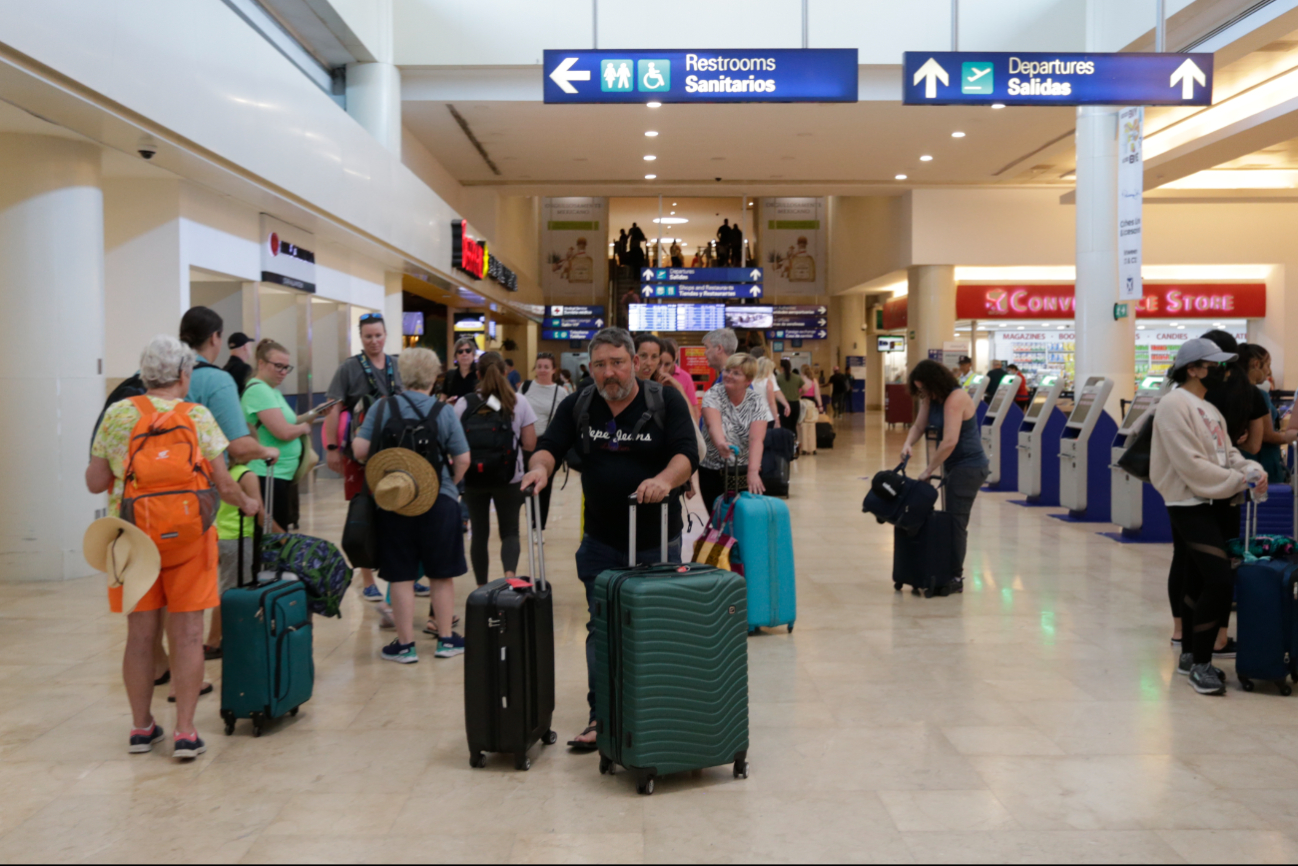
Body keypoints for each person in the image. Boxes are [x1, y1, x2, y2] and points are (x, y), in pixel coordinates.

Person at [520, 328, 699, 750]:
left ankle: (655, 711)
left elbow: (687, 453)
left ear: (635, 362)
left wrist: (663, 479)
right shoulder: (580, 403)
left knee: (655, 627)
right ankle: (602, 714)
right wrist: (541, 468)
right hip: (601, 539)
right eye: (599, 364)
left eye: (617, 362)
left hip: (656, 538)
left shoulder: (664, 400)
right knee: (601, 626)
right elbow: (550, 445)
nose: (609, 372)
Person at [87, 334, 260, 759]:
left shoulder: (118, 415)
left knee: (140, 635)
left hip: (133, 540)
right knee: (188, 634)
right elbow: (223, 483)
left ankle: (142, 727)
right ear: (185, 375)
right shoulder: (197, 416)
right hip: (190, 539)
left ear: (144, 375)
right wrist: (250, 504)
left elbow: (94, 482)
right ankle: (185, 732)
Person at [1151, 339, 1266, 695]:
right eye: (1213, 365)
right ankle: (1202, 662)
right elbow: (1190, 464)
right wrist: (1237, 481)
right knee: (1218, 580)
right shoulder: (1173, 405)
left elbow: (1226, 452)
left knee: (1197, 579)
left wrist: (1251, 468)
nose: (1223, 372)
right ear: (1193, 369)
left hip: (1212, 500)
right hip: (1187, 503)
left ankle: (1189, 655)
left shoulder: (1207, 408)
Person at [354, 348, 471, 662]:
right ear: (434, 377)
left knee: (401, 574)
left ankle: (405, 646)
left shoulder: (382, 407)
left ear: (402, 376)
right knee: (441, 574)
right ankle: (446, 640)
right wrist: (452, 488)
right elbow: (463, 458)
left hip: (395, 502)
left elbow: (361, 449)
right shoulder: (442, 411)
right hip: (439, 501)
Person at [322, 312, 403, 604]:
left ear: (385, 335)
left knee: (397, 510)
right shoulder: (348, 368)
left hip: (393, 453)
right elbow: (333, 408)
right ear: (361, 337)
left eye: (378, 335)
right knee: (363, 512)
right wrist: (331, 448)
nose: (374, 341)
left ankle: (400, 573)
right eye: (368, 336)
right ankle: (367, 578)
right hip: (358, 455)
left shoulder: (396, 365)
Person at [900, 359, 990, 590]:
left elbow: (950, 440)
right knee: (949, 519)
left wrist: (929, 470)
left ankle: (956, 577)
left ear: (935, 383)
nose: (922, 393)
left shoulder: (956, 398)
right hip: (952, 465)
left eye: (924, 388)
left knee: (956, 521)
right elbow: (919, 426)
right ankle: (944, 570)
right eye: (918, 389)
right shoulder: (932, 398)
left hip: (969, 466)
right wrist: (908, 444)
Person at [455, 352, 537, 587]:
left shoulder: (464, 403)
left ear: (477, 374)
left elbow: (455, 442)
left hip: (473, 477)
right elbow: (530, 443)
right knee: (510, 531)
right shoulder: (517, 401)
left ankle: (482, 588)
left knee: (479, 533)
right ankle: (509, 578)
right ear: (505, 372)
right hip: (509, 476)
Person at [241, 339, 315, 530]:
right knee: (273, 537)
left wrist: (313, 414)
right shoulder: (258, 390)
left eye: (286, 367)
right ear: (261, 364)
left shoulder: (271, 390)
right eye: (278, 366)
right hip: (266, 473)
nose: (283, 372)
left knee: (279, 532)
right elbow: (282, 431)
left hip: (280, 474)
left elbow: (289, 421)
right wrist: (304, 429)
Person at [204, 461, 264, 659]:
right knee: (231, 592)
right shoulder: (247, 475)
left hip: (221, 537)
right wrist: (281, 536)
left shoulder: (222, 475)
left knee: (227, 588)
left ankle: (223, 637)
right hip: (239, 539)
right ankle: (213, 642)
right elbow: (259, 512)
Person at [699, 353, 770, 512]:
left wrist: (753, 471)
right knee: (718, 518)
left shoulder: (756, 401)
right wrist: (720, 443)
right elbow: (712, 424)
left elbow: (756, 439)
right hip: (713, 470)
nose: (729, 376)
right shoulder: (713, 394)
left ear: (748, 381)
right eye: (727, 370)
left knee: (743, 517)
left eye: (736, 373)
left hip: (744, 469)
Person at [521, 352, 565, 528]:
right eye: (539, 366)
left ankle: (538, 525)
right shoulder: (525, 387)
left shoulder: (560, 392)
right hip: (526, 443)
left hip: (548, 444)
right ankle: (531, 519)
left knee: (544, 487)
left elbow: (564, 418)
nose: (542, 370)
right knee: (527, 483)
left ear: (553, 370)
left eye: (546, 367)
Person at [1238, 343, 1293, 483]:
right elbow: (1267, 435)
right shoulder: (1259, 395)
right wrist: (1291, 437)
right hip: (1262, 461)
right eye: (1267, 365)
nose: (1269, 371)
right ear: (1256, 364)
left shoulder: (1231, 391)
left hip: (1240, 461)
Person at [659, 337, 698, 408]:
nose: (662, 369)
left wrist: (679, 389)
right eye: (659, 363)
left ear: (676, 355)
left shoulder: (686, 377)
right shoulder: (648, 376)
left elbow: (694, 411)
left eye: (667, 364)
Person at [442, 338, 479, 403]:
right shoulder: (450, 376)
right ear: (456, 356)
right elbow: (442, 400)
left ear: (473, 354)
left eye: (468, 351)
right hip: (454, 412)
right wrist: (446, 403)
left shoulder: (480, 374)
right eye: (460, 351)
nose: (464, 354)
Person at [754, 357, 791, 422]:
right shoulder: (768, 381)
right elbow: (772, 402)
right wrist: (777, 420)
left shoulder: (749, 380)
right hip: (768, 416)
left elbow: (776, 391)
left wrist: (786, 404)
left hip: (754, 416)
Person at [702, 327, 737, 393]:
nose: (705, 352)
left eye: (707, 348)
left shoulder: (729, 379)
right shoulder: (738, 376)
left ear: (719, 348)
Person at [775, 359, 804, 431]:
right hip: (795, 404)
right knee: (793, 426)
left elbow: (775, 391)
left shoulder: (778, 377)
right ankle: (793, 441)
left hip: (783, 405)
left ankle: (785, 441)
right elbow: (806, 388)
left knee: (784, 426)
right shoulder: (797, 377)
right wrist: (799, 395)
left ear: (782, 367)